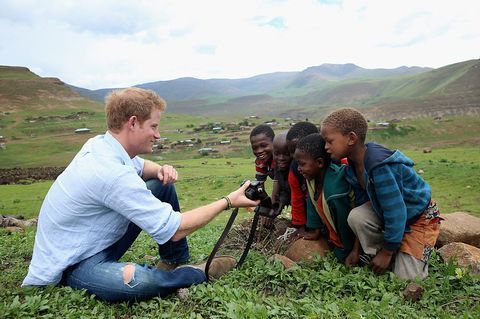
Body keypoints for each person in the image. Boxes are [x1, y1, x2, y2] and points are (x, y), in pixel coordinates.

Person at [22, 88, 259, 302]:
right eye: (154, 126)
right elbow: (175, 229)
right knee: (142, 283)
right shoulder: (110, 173)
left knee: (161, 184)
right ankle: (197, 271)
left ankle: (174, 259)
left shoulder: (102, 145)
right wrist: (228, 201)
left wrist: (160, 170)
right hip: (73, 262)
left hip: (92, 241)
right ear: (133, 123)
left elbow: (141, 165)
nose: (157, 135)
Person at [321, 108, 442, 279]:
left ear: (351, 138)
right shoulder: (351, 167)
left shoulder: (379, 167)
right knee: (357, 216)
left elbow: (396, 212)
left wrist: (386, 252)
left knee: (406, 279)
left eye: (329, 141)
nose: (326, 147)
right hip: (388, 212)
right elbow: (363, 204)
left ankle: (391, 251)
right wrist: (356, 250)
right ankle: (381, 251)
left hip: (418, 216)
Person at [294, 133, 356, 263]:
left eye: (302, 164)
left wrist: (346, 249)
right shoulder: (311, 179)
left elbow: (344, 224)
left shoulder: (335, 190)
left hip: (351, 236)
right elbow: (312, 203)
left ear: (320, 163)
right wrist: (315, 230)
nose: (299, 169)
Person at [286, 121, 324, 239]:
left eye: (296, 150)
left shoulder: (334, 166)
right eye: (291, 152)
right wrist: (299, 227)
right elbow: (296, 198)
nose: (293, 156)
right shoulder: (295, 169)